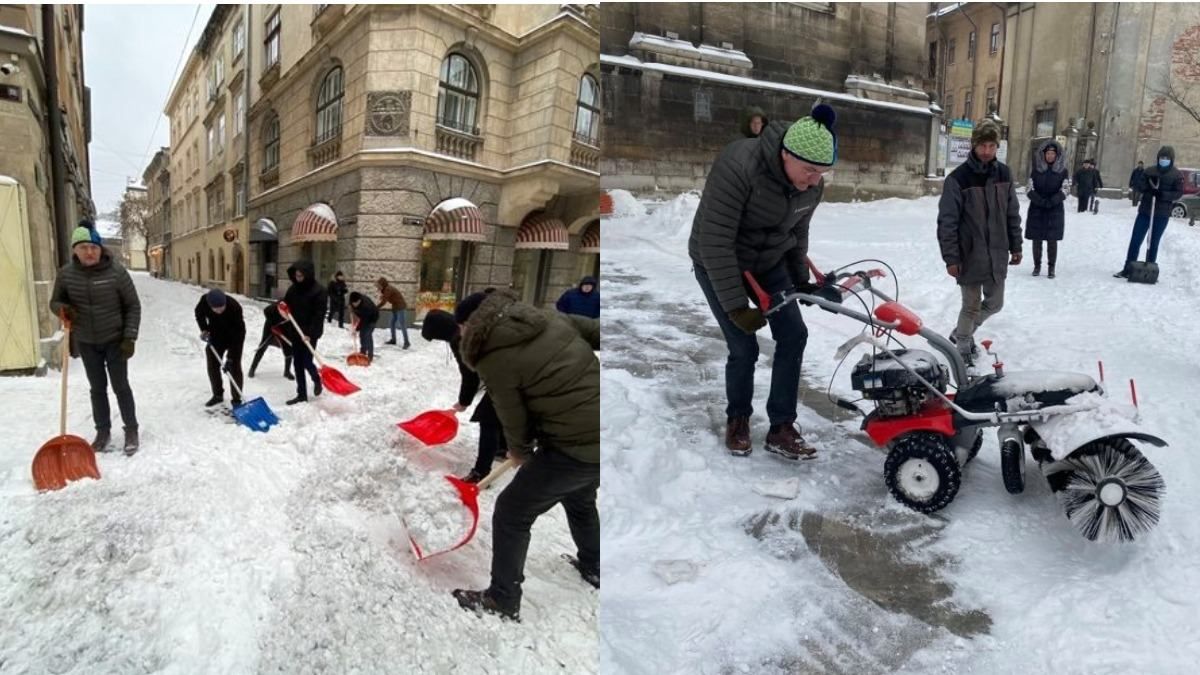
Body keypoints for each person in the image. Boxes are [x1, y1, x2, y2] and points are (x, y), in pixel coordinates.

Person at [688, 103, 838, 460]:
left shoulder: (811, 185)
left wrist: (801, 281)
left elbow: (797, 232)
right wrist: (737, 306)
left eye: (822, 173)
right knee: (744, 346)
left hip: (768, 261)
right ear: (785, 154)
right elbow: (715, 240)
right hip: (719, 260)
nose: (815, 180)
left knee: (794, 334)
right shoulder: (739, 165)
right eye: (810, 171)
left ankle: (781, 427)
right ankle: (738, 418)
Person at [451, 289, 599, 622]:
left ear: (472, 324)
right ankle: (596, 565)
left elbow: (510, 413)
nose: (460, 334)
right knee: (580, 499)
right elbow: (599, 330)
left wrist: (518, 450)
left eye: (461, 326)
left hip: (571, 445)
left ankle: (503, 598)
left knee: (511, 512)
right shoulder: (548, 317)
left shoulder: (492, 356)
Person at [49, 222, 142, 455]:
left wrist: (129, 337)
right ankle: (103, 431)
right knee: (97, 388)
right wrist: (63, 310)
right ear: (75, 250)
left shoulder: (116, 272)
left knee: (121, 386)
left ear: (101, 249)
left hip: (115, 340)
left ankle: (131, 429)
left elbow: (133, 306)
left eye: (94, 247)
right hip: (87, 341)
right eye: (83, 248)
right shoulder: (66, 274)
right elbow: (55, 301)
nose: (89, 252)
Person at [937, 119, 1023, 366]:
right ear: (973, 146)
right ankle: (963, 348)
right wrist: (951, 258)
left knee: (996, 303)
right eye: (982, 145)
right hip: (969, 254)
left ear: (997, 147)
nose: (987, 151)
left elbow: (1012, 214)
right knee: (971, 307)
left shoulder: (1004, 174)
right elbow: (947, 222)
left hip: (997, 252)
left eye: (991, 146)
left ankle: (960, 333)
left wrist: (1016, 246)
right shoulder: (958, 179)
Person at [421, 307, 509, 484]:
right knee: (499, 414)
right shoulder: (471, 327)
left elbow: (469, 374)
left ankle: (481, 473)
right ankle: (502, 447)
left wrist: (464, 401)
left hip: (507, 377)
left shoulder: (458, 338)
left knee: (488, 419)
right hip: (513, 373)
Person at [1115, 146, 1183, 278]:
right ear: (1158, 158)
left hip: (1162, 214)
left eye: (1167, 158)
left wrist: (1162, 194)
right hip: (1145, 212)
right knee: (1136, 240)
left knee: (1153, 241)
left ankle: (1150, 269)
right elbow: (1139, 185)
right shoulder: (1149, 171)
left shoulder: (1176, 175)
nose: (1164, 160)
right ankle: (1128, 268)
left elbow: (1178, 193)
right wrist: (1148, 189)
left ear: (1171, 159)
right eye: (1162, 157)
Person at [281, 260, 326, 405]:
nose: (298, 278)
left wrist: (311, 334)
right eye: (296, 276)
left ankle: (316, 379)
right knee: (297, 363)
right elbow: (286, 304)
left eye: (300, 276)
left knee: (307, 361)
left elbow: (319, 315)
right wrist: (282, 307)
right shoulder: (293, 289)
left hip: (309, 333)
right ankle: (301, 394)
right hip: (295, 331)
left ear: (308, 275)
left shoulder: (319, 291)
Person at [195, 288, 246, 408]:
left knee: (234, 367)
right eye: (216, 308)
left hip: (235, 336)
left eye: (221, 307)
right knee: (212, 364)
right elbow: (199, 314)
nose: (219, 310)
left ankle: (237, 399)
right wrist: (204, 329)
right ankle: (217, 395)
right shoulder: (204, 302)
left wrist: (230, 358)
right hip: (216, 334)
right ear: (210, 305)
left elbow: (238, 335)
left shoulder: (234, 307)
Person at [1025, 140, 1067, 279]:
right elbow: (1029, 188)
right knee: (1037, 240)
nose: (1050, 156)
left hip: (1055, 210)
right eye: (1048, 153)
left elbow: (1065, 189)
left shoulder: (1063, 171)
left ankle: (1051, 268)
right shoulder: (1036, 170)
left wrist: (1053, 201)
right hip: (1037, 209)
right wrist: (1040, 201)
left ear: (1057, 155)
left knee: (1052, 240)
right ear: (1043, 155)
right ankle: (1037, 266)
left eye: (1052, 153)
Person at [248, 302, 294, 380]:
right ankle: (252, 368)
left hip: (284, 328)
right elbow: (266, 311)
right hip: (270, 326)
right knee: (263, 345)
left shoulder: (297, 307)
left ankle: (287, 372)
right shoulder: (278, 306)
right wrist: (272, 325)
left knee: (289, 348)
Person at [376, 276, 410, 348]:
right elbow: (388, 297)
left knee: (402, 325)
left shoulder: (388, 289)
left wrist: (376, 308)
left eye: (379, 285)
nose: (378, 287)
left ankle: (407, 342)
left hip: (401, 307)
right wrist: (383, 297)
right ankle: (393, 340)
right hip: (395, 307)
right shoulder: (386, 289)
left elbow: (384, 302)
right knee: (392, 323)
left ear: (383, 284)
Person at [347, 291, 379, 363]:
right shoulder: (352, 300)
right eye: (352, 303)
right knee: (362, 335)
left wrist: (356, 329)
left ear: (359, 300)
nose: (354, 305)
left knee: (367, 335)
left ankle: (370, 355)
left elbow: (364, 322)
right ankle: (363, 352)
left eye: (355, 303)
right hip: (363, 318)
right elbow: (351, 305)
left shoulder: (366, 306)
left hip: (371, 319)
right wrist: (351, 308)